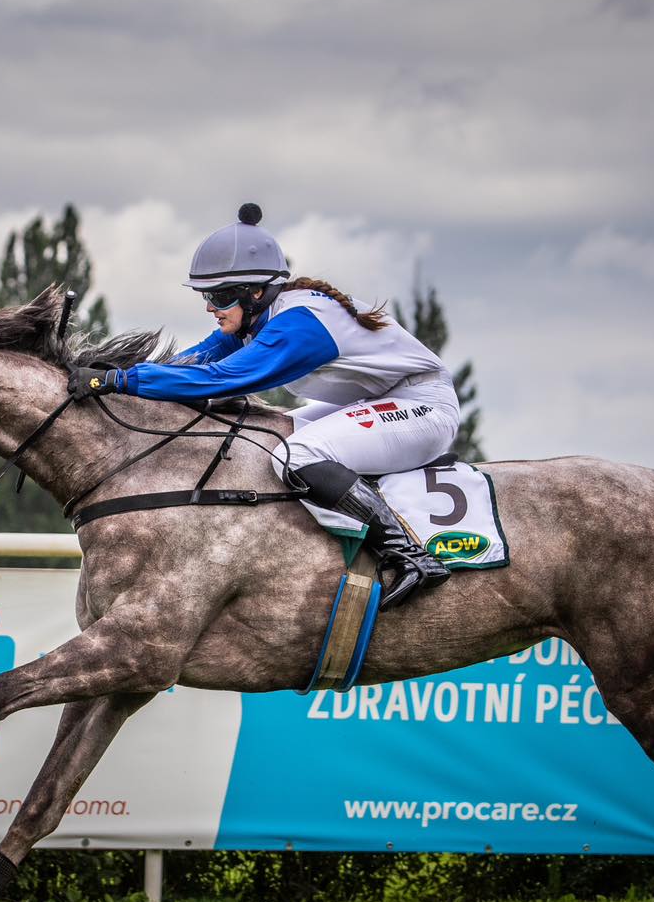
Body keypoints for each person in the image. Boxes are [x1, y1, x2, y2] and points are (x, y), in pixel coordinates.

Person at [70, 203, 456, 608]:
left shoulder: (298, 326)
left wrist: (119, 381)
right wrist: (116, 370)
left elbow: (219, 380)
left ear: (255, 292)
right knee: (269, 437)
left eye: (218, 296)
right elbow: (195, 360)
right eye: (206, 295)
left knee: (297, 454)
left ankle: (409, 554)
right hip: (381, 402)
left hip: (423, 407)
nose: (208, 307)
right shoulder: (261, 317)